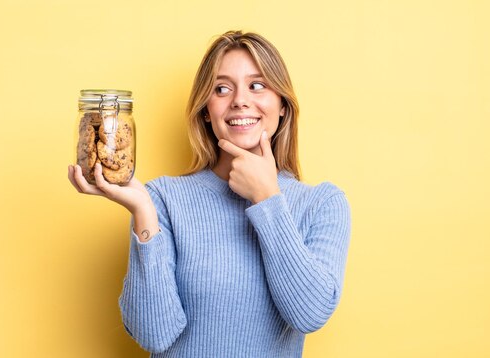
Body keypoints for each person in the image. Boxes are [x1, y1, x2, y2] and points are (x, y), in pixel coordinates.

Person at [68, 30, 351, 357]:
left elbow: (310, 313)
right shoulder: (163, 198)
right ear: (205, 109)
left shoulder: (322, 205)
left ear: (283, 105)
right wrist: (143, 213)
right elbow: (154, 335)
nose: (240, 100)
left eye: (257, 85)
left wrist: (267, 199)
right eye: (222, 88)